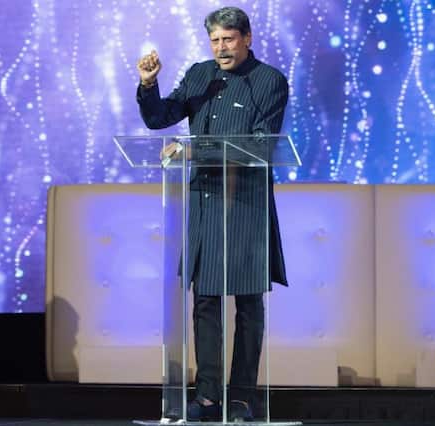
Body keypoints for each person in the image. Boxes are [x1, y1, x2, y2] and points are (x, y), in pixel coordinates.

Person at [137, 6, 289, 422]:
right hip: (205, 201)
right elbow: (159, 118)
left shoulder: (270, 81)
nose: (221, 48)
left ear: (247, 38)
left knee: (248, 304)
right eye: (215, 41)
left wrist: (194, 150)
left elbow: (259, 145)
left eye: (228, 39)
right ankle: (207, 397)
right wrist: (148, 84)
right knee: (205, 301)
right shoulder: (200, 75)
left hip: (246, 204)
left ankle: (241, 399)